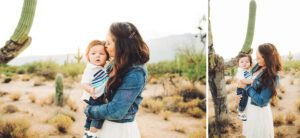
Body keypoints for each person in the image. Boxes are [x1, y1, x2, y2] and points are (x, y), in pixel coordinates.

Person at [84, 22, 149, 138]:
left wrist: (89, 110)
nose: (105, 46)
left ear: (121, 44)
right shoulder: (114, 64)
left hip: (119, 130)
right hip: (103, 125)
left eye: (108, 43)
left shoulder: (136, 72)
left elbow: (116, 111)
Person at [238, 43, 282, 138]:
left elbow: (262, 101)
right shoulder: (258, 66)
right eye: (256, 57)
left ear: (267, 57)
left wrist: (247, 88)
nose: (256, 60)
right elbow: (247, 75)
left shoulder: (272, 76)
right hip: (249, 108)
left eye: (258, 58)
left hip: (258, 113)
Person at [80, 40, 109, 138]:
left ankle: (87, 133)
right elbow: (84, 83)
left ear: (107, 56)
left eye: (101, 53)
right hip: (92, 98)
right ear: (88, 56)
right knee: (97, 117)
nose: (97, 56)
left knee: (90, 118)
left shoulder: (104, 67)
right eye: (93, 53)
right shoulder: (90, 69)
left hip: (98, 97)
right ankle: (92, 134)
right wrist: (90, 89)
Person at [235, 53, 253, 121]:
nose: (244, 63)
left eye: (247, 62)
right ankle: (240, 111)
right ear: (238, 63)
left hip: (246, 88)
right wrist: (252, 81)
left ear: (250, 63)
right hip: (241, 89)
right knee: (243, 99)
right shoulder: (240, 71)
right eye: (242, 62)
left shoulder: (248, 71)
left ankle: (243, 110)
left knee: (246, 100)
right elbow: (243, 80)